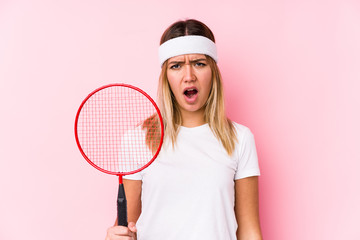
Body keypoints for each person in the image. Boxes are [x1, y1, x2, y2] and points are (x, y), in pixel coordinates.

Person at [105, 19, 262, 240]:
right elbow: (126, 227)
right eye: (176, 66)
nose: (189, 75)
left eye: (199, 63)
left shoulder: (240, 139)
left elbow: (249, 231)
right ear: (166, 77)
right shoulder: (138, 139)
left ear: (213, 72)